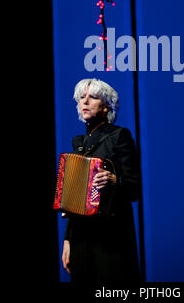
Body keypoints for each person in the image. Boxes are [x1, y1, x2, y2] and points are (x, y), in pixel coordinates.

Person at [61, 78, 141, 286]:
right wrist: (68, 239)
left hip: (110, 237)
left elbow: (134, 189)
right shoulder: (78, 143)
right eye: (81, 98)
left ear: (106, 107)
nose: (84, 102)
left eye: (93, 98)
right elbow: (74, 199)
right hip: (80, 236)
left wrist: (115, 180)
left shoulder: (119, 136)